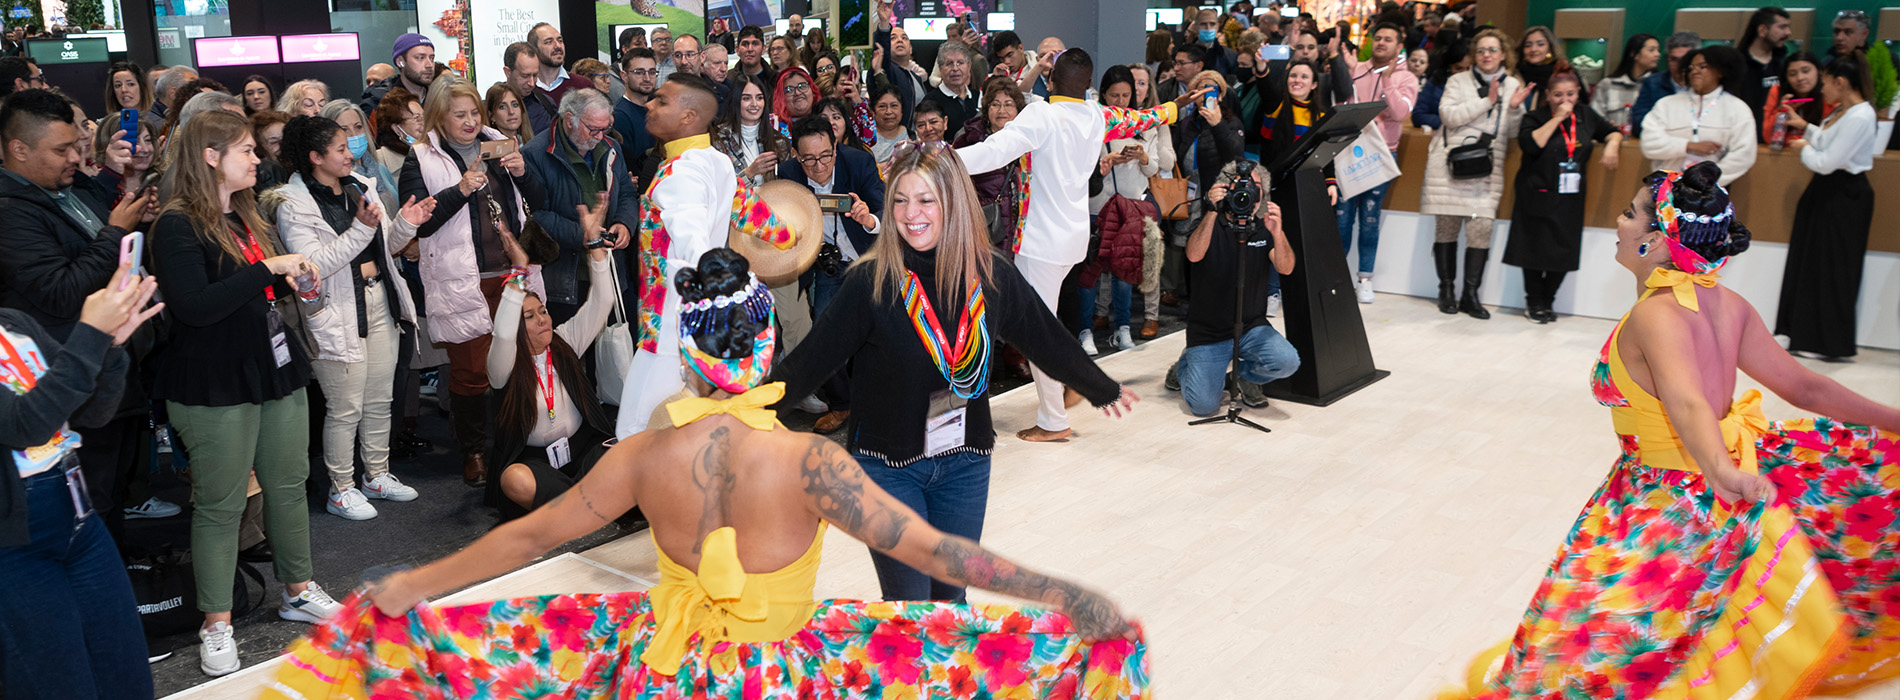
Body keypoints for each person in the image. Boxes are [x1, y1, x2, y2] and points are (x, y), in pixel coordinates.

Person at [268, 242, 1149, 699]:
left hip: (670, 665)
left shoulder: (645, 453)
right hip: (782, 672)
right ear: (767, 339)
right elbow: (943, 556)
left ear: (689, 351)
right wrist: (1064, 595)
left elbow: (531, 534)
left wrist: (413, 585)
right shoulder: (809, 461)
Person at [1436, 161, 1900, 700]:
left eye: (1630, 213)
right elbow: (1809, 389)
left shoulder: (1655, 315)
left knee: (1602, 641)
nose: (1619, 218)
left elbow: (1686, 402)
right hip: (1718, 469)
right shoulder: (1728, 303)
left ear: (1656, 242)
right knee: (1669, 635)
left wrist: (1719, 469)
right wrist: (1894, 419)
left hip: (1671, 493)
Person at [772, 140, 1139, 600]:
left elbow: (1044, 336)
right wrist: (743, 408)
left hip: (964, 463)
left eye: (926, 200)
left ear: (955, 203)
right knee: (909, 607)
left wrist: (1100, 387)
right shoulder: (871, 281)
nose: (910, 213)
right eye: (900, 200)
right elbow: (810, 361)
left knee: (950, 601)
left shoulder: (992, 274)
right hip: (888, 469)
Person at [149, 110, 344, 677]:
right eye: (245, 151)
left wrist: (296, 284)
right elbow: (195, 307)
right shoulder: (176, 224)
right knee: (221, 505)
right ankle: (216, 624)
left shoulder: (245, 214)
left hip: (272, 367)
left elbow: (260, 291)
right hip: (211, 382)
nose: (258, 159)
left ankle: (299, 590)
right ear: (211, 156)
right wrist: (268, 271)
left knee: (287, 486)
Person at [957, 49, 1197, 443]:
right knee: (1045, 324)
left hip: (1040, 242)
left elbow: (993, 151)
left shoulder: (1041, 114)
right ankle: (1067, 381)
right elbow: (1142, 117)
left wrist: (939, 157)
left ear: (1050, 83)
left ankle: (1053, 419)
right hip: (1072, 237)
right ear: (1088, 86)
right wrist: (1174, 107)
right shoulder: (1096, 115)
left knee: (1038, 332)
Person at [0, 89, 165, 545]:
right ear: (18, 149)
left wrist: (130, 226)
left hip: (107, 368)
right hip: (65, 379)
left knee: (110, 492)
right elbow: (61, 292)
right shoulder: (11, 212)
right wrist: (116, 232)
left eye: (76, 145)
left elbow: (103, 249)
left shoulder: (63, 192)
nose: (76, 156)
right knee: (90, 504)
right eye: (61, 150)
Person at [0, 263, 161, 700]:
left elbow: (91, 413)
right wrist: (90, 335)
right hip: (14, 547)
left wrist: (109, 345)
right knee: (60, 684)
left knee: (126, 676)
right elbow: (23, 425)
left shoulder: (14, 323)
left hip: (77, 520)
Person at [271, 114, 433, 520]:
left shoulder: (361, 187)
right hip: (335, 310)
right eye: (341, 149)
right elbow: (313, 265)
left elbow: (387, 243)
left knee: (380, 398)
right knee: (345, 406)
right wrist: (361, 230)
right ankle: (340, 488)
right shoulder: (293, 204)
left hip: (379, 298)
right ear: (315, 157)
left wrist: (408, 226)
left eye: (350, 145)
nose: (351, 153)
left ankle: (376, 474)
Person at [615, 73, 791, 437]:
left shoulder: (680, 172)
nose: (649, 104)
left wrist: (714, 290)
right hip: (695, 325)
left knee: (634, 433)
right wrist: (790, 237)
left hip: (668, 327)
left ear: (689, 117)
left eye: (661, 100)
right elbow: (752, 213)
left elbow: (696, 244)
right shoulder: (717, 160)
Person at [398, 78, 545, 487]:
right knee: (470, 374)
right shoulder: (420, 158)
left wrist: (524, 171)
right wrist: (459, 190)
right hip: (462, 281)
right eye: (458, 115)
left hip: (511, 275)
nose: (469, 122)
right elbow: (419, 224)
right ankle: (474, 452)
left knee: (519, 366)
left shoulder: (501, 143)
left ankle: (517, 445)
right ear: (439, 118)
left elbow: (539, 197)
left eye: (474, 113)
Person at [486, 190, 615, 518]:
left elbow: (602, 303)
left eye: (542, 311)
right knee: (513, 480)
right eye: (529, 316)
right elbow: (502, 333)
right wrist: (520, 271)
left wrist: (595, 245)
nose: (543, 319)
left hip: (582, 450)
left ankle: (572, 509)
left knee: (624, 451)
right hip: (537, 462)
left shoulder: (563, 341)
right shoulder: (504, 364)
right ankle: (586, 506)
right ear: (516, 324)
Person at [775, 114, 884, 432]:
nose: (819, 166)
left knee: (881, 328)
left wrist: (868, 219)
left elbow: (883, 210)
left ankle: (885, 398)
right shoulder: (788, 173)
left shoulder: (859, 163)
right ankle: (842, 404)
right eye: (809, 159)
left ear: (836, 147)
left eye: (825, 156)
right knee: (824, 329)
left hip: (867, 259)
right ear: (796, 155)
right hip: (826, 266)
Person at [1166, 160, 1298, 415]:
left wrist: (1278, 232)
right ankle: (1185, 366)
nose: (1248, 193)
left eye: (1255, 188)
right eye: (1241, 186)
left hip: (1251, 327)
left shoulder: (1263, 228)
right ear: (1226, 189)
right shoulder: (1207, 221)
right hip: (1209, 331)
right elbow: (1193, 255)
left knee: (1286, 361)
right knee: (1203, 406)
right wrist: (1212, 210)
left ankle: (1243, 377)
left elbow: (1286, 268)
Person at [1422, 28, 1530, 320]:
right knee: (1446, 228)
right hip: (1449, 165)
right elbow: (1449, 116)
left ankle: (1470, 295)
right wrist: (1487, 101)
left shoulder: (1513, 85)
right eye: (1481, 50)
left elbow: (1511, 132)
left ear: (1503, 54)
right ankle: (1446, 290)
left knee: (1481, 229)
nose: (1487, 55)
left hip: (1486, 168)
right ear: (1474, 55)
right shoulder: (1457, 80)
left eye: (1493, 50)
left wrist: (1517, 109)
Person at [1774, 52, 1875, 362]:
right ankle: (1803, 333)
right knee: (1812, 262)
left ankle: (1827, 341)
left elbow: (1827, 162)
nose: (1822, 90)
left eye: (1827, 83)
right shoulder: (1848, 111)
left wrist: (1803, 148)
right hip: (1827, 192)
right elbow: (1829, 143)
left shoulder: (1860, 115)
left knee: (1832, 267)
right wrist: (1805, 128)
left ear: (1841, 82)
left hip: (1843, 195)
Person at [1504, 71, 1622, 324]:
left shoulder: (1586, 115)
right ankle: (1534, 301)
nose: (1564, 99)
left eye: (1570, 94)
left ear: (1578, 93)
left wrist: (1612, 145)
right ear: (1547, 95)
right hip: (1536, 192)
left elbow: (1611, 132)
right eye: (1557, 94)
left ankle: (1548, 300)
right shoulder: (1535, 116)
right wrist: (1557, 118)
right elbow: (1533, 144)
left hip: (1570, 196)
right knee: (1533, 250)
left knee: (1563, 251)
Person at [521, 88, 639, 325]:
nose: (598, 136)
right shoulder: (536, 154)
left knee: (616, 351)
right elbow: (535, 215)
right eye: (592, 129)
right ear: (569, 120)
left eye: (605, 129)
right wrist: (584, 235)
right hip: (567, 274)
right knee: (572, 352)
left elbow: (626, 192)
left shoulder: (611, 147)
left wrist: (624, 223)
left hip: (611, 269)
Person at [1078, 66, 1161, 356]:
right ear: (1103, 94)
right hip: (1097, 206)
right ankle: (1084, 331)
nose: (1122, 101)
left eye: (1127, 95)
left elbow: (1155, 168)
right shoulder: (1093, 122)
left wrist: (1143, 156)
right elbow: (1080, 167)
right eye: (1115, 95)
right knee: (1089, 273)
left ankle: (1122, 328)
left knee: (1124, 272)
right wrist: (1107, 161)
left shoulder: (1144, 124)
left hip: (1130, 207)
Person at [1338, 21, 1417, 303]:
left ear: (1399, 46)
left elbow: (1398, 113)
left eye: (1388, 39)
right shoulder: (1357, 69)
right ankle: (1337, 278)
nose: (1382, 42)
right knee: (1342, 219)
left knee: (1370, 220)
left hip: (1381, 155)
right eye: (1378, 38)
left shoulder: (1407, 78)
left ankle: (1365, 279)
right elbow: (1343, 106)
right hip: (1349, 152)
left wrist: (1387, 80)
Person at [1640, 45, 1757, 186]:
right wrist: (1689, 146)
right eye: (1691, 67)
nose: (1694, 71)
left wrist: (1709, 179)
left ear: (1721, 71)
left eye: (1702, 66)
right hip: (1667, 187)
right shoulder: (1666, 104)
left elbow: (1744, 154)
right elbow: (1649, 143)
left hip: (1712, 190)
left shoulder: (1737, 108)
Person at [318, 100, 401, 214]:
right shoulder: (334, 178)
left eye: (358, 127)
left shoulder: (380, 168)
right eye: (344, 129)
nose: (354, 134)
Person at [1629, 31, 1699, 137]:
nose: (1680, 65)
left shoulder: (1705, 86)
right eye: (1674, 59)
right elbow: (1638, 124)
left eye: (1685, 60)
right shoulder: (1653, 83)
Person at [1590, 33, 1658, 132]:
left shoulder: (1658, 86)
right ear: (1634, 54)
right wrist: (1607, 128)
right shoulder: (1607, 85)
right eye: (1651, 50)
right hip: (1611, 141)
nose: (1657, 54)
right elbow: (1593, 119)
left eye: (1657, 50)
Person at [871, 4, 925, 126]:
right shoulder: (887, 69)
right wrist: (884, 23)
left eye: (904, 38)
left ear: (910, 49)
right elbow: (880, 51)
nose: (900, 40)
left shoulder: (916, 77)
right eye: (893, 38)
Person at [1737, 7, 1791, 128]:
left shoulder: (1785, 64)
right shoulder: (1736, 64)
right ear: (1762, 30)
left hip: (1774, 137)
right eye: (1782, 27)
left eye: (1788, 27)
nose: (1788, 32)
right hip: (1741, 134)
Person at [361, 33, 434, 114]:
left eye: (432, 58)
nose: (429, 65)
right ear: (400, 62)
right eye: (420, 58)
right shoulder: (380, 104)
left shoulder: (441, 98)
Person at [614, 48, 659, 163]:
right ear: (624, 76)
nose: (647, 78)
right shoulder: (620, 116)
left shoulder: (659, 109)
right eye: (639, 72)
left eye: (652, 72)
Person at [504, 42, 558, 136]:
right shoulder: (490, 107)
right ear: (508, 72)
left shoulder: (546, 104)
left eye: (535, 75)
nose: (532, 83)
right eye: (525, 76)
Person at [1413, 41, 1468, 131]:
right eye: (1458, 68)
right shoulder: (1436, 82)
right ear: (1449, 67)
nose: (1464, 73)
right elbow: (1418, 116)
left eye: (1469, 69)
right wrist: (1452, 122)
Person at [1512, 26, 1569, 111]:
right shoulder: (1514, 75)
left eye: (1540, 44)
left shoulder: (1563, 73)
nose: (1533, 49)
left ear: (1550, 48)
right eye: (1528, 45)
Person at [933, 41, 980, 142]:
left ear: (969, 66)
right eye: (949, 63)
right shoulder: (931, 102)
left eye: (960, 63)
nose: (955, 68)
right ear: (940, 69)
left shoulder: (979, 97)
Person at [528, 23, 583, 108]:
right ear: (533, 49)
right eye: (549, 42)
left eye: (560, 41)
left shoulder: (583, 86)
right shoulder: (525, 89)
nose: (557, 46)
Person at [867, 83, 909, 165]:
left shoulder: (913, 137)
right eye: (882, 106)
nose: (888, 112)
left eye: (894, 106)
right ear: (873, 112)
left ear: (902, 111)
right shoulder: (866, 140)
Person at [770, 66, 816, 137]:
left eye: (802, 86)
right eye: (789, 90)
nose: (797, 93)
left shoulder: (827, 118)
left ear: (813, 91)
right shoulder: (770, 124)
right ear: (781, 97)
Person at [729, 25, 777, 90]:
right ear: (737, 50)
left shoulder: (777, 81)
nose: (750, 49)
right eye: (745, 44)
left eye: (755, 44)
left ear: (763, 49)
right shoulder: (727, 79)